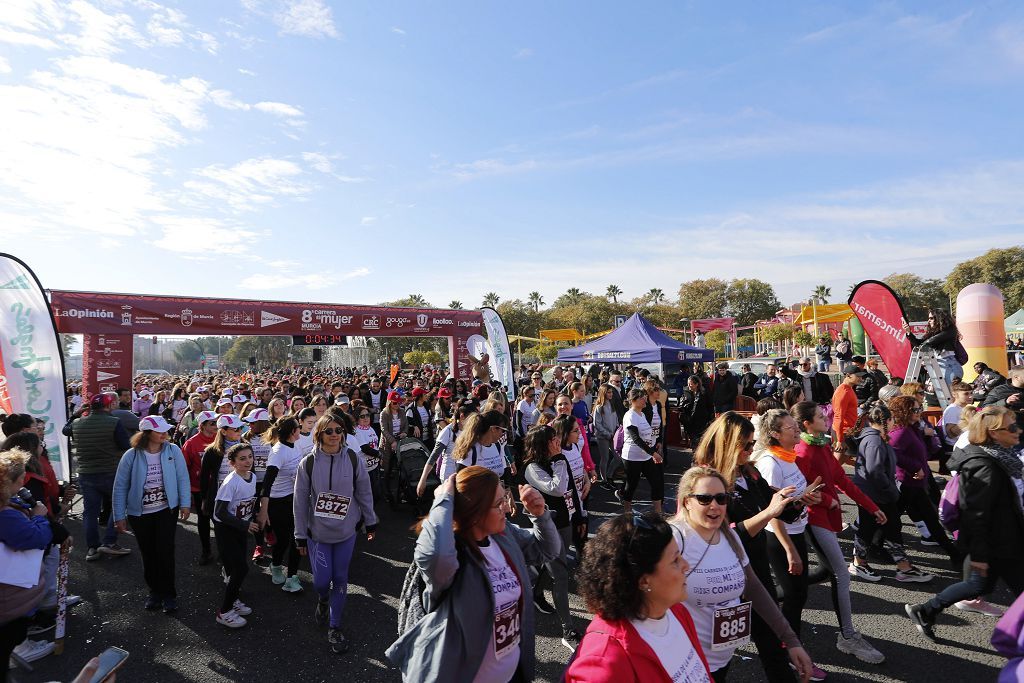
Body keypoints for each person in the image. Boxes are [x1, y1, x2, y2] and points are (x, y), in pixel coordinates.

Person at [387, 466, 559, 682]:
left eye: (505, 498)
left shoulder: (503, 535)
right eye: (499, 503)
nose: (507, 508)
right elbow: (435, 554)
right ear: (475, 511)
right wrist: (443, 499)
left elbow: (547, 550)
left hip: (512, 674)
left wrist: (540, 515)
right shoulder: (453, 555)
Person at [669, 466, 814, 682]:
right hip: (683, 662)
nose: (715, 506)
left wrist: (791, 640)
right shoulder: (674, 538)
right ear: (687, 501)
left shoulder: (730, 538)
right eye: (704, 499)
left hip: (721, 658)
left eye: (721, 498)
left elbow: (754, 588)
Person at [906, 406, 1024, 641]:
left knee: (975, 586)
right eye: (1011, 426)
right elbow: (976, 514)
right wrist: (979, 555)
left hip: (1002, 539)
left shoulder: (998, 456)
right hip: (996, 544)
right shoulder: (985, 466)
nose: (1018, 430)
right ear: (993, 432)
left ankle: (925, 610)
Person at [565, 512, 715, 682]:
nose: (686, 565)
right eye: (675, 560)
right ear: (643, 581)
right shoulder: (606, 662)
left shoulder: (677, 612)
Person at [790, 402, 886, 664]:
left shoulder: (819, 445)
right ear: (807, 424)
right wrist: (826, 502)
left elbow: (841, 480)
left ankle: (766, 597)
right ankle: (847, 636)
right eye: (821, 417)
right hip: (813, 519)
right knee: (841, 574)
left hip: (826, 517)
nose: (827, 419)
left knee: (823, 572)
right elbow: (799, 491)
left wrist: (871, 506)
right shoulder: (803, 451)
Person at [293, 413, 377, 654]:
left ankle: (335, 626)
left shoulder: (352, 458)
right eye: (328, 431)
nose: (334, 435)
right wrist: (300, 534)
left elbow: (364, 490)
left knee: (340, 579)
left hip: (346, 532)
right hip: (317, 534)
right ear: (319, 434)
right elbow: (299, 502)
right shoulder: (307, 463)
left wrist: (370, 521)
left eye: (338, 430)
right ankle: (322, 600)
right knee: (321, 582)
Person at [753, 409, 822, 656]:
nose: (797, 430)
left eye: (796, 425)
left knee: (797, 592)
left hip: (797, 529)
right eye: (791, 427)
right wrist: (790, 549)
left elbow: (793, 498)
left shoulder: (789, 456)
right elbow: (773, 512)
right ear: (774, 434)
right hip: (780, 537)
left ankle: (780, 631)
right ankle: (789, 648)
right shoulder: (770, 463)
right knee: (795, 594)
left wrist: (809, 496)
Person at [111, 415, 191, 613]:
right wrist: (119, 515)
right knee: (148, 553)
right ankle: (154, 591)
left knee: (165, 552)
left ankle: (169, 594)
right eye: (159, 430)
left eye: (165, 429)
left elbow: (182, 477)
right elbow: (120, 486)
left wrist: (185, 503)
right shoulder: (131, 455)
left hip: (166, 510)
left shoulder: (173, 450)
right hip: (140, 514)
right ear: (146, 433)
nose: (165, 433)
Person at [849, 402, 934, 583]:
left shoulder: (877, 438)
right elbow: (874, 471)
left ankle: (902, 566)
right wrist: (891, 490)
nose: (895, 422)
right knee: (871, 527)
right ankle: (860, 563)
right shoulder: (874, 441)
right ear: (886, 420)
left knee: (889, 527)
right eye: (893, 419)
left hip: (876, 492)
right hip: (875, 494)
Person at [522, 425, 585, 649]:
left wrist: (580, 517)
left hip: (566, 522)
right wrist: (559, 459)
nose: (557, 441)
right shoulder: (532, 468)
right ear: (543, 443)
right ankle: (567, 630)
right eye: (553, 439)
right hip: (549, 526)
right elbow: (556, 488)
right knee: (560, 574)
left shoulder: (560, 459)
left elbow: (570, 491)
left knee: (550, 565)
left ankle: (535, 594)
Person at [0, 447, 57, 676]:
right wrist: (40, 518)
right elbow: (36, 539)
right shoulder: (6, 514)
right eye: (21, 477)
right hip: (9, 599)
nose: (25, 481)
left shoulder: (9, 507)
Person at [889, 395, 961, 567]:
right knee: (891, 519)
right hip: (906, 482)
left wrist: (927, 437)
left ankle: (955, 555)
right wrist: (915, 467)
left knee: (929, 517)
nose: (919, 412)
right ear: (904, 411)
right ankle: (870, 546)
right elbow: (894, 453)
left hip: (916, 483)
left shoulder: (912, 428)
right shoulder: (900, 432)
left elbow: (924, 451)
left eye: (919, 408)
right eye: (915, 409)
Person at [65, 392, 132, 562]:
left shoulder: (78, 423)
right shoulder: (114, 422)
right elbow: (126, 446)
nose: (116, 404)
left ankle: (92, 548)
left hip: (86, 473)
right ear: (109, 406)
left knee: (90, 512)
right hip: (111, 472)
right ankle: (109, 542)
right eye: (114, 402)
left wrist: (76, 414)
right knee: (119, 505)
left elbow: (66, 430)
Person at [213, 443, 260, 629]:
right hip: (226, 529)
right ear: (232, 463)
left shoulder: (252, 476)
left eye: (250, 456)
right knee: (241, 569)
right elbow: (220, 512)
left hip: (240, 527)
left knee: (235, 569)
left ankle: (233, 600)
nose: (248, 461)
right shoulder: (231, 482)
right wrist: (245, 524)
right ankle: (223, 612)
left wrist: (254, 516)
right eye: (242, 458)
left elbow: (248, 503)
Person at [255, 417, 303, 593]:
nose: (300, 429)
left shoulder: (295, 445)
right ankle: (275, 565)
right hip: (278, 502)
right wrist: (264, 510)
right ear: (292, 431)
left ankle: (292, 577)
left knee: (298, 537)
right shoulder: (278, 452)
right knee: (283, 540)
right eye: (298, 427)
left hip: (295, 498)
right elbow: (267, 483)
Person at [616, 388, 664, 515]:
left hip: (646, 456)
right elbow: (636, 439)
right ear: (634, 400)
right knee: (631, 485)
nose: (645, 400)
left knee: (656, 482)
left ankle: (658, 513)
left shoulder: (642, 414)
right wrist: (653, 453)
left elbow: (648, 436)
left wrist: (653, 450)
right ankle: (627, 511)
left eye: (645, 397)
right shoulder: (630, 416)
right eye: (642, 398)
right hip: (632, 457)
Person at [419, 401, 475, 498]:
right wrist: (423, 480)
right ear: (462, 416)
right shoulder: (447, 432)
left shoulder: (471, 431)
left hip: (464, 476)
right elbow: (433, 457)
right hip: (448, 477)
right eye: (472, 418)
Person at [903, 308, 964, 386]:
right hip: (938, 366)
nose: (929, 321)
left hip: (948, 366)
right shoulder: (933, 333)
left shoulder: (950, 331)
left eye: (931, 318)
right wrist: (908, 332)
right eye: (929, 318)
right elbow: (920, 344)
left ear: (939, 318)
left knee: (950, 396)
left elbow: (925, 344)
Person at [452, 410, 511, 478]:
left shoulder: (498, 446)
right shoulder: (471, 450)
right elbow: (459, 480)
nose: (503, 434)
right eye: (503, 430)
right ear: (493, 429)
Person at [591, 383, 621, 487]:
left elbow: (615, 419)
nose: (611, 394)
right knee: (605, 458)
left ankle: (609, 475)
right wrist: (608, 434)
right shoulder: (599, 407)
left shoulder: (611, 404)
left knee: (618, 457)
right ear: (603, 393)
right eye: (608, 392)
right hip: (602, 437)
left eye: (611, 392)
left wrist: (616, 431)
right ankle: (604, 480)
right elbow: (597, 424)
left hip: (612, 435)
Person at [679, 375, 713, 444]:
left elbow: (710, 406)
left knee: (701, 442)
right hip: (690, 422)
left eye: (690, 384)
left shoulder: (704, 393)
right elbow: (681, 406)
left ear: (697, 384)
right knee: (693, 443)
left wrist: (709, 419)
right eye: (688, 384)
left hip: (702, 422)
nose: (689, 386)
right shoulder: (686, 393)